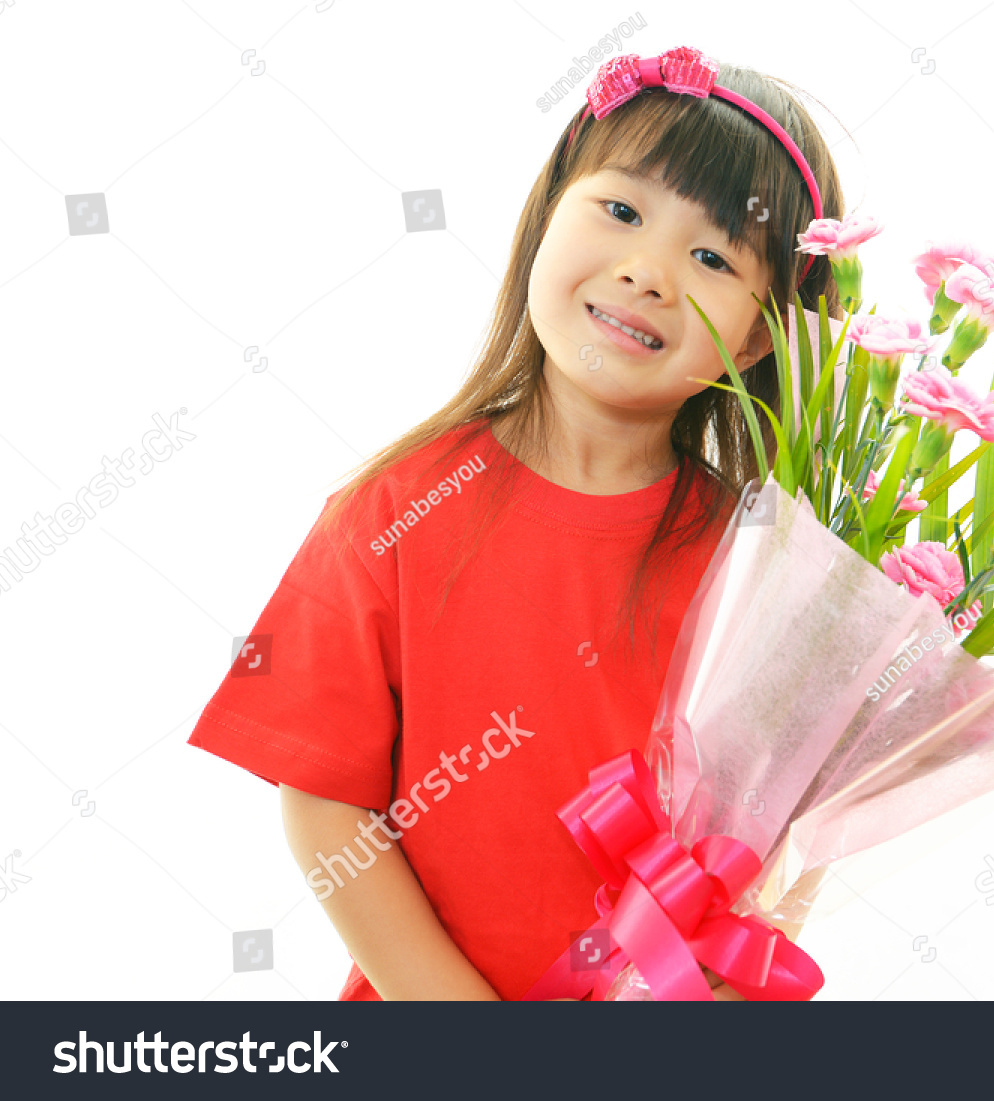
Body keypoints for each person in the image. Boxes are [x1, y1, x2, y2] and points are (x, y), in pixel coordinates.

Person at [187, 44, 849, 1001]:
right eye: (621, 210)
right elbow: (326, 801)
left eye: (711, 256)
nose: (648, 271)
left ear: (755, 335)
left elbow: (779, 851)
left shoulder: (759, 565)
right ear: (545, 218)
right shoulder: (391, 510)